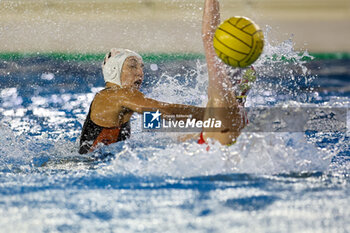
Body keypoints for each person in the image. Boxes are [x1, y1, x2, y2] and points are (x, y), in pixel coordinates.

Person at [79, 0, 252, 154]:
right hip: (86, 168)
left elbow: (160, 124)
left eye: (142, 67)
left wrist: (193, 132)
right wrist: (211, 115)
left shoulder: (124, 105)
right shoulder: (113, 95)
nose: (140, 73)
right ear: (114, 70)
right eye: (132, 66)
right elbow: (163, 110)